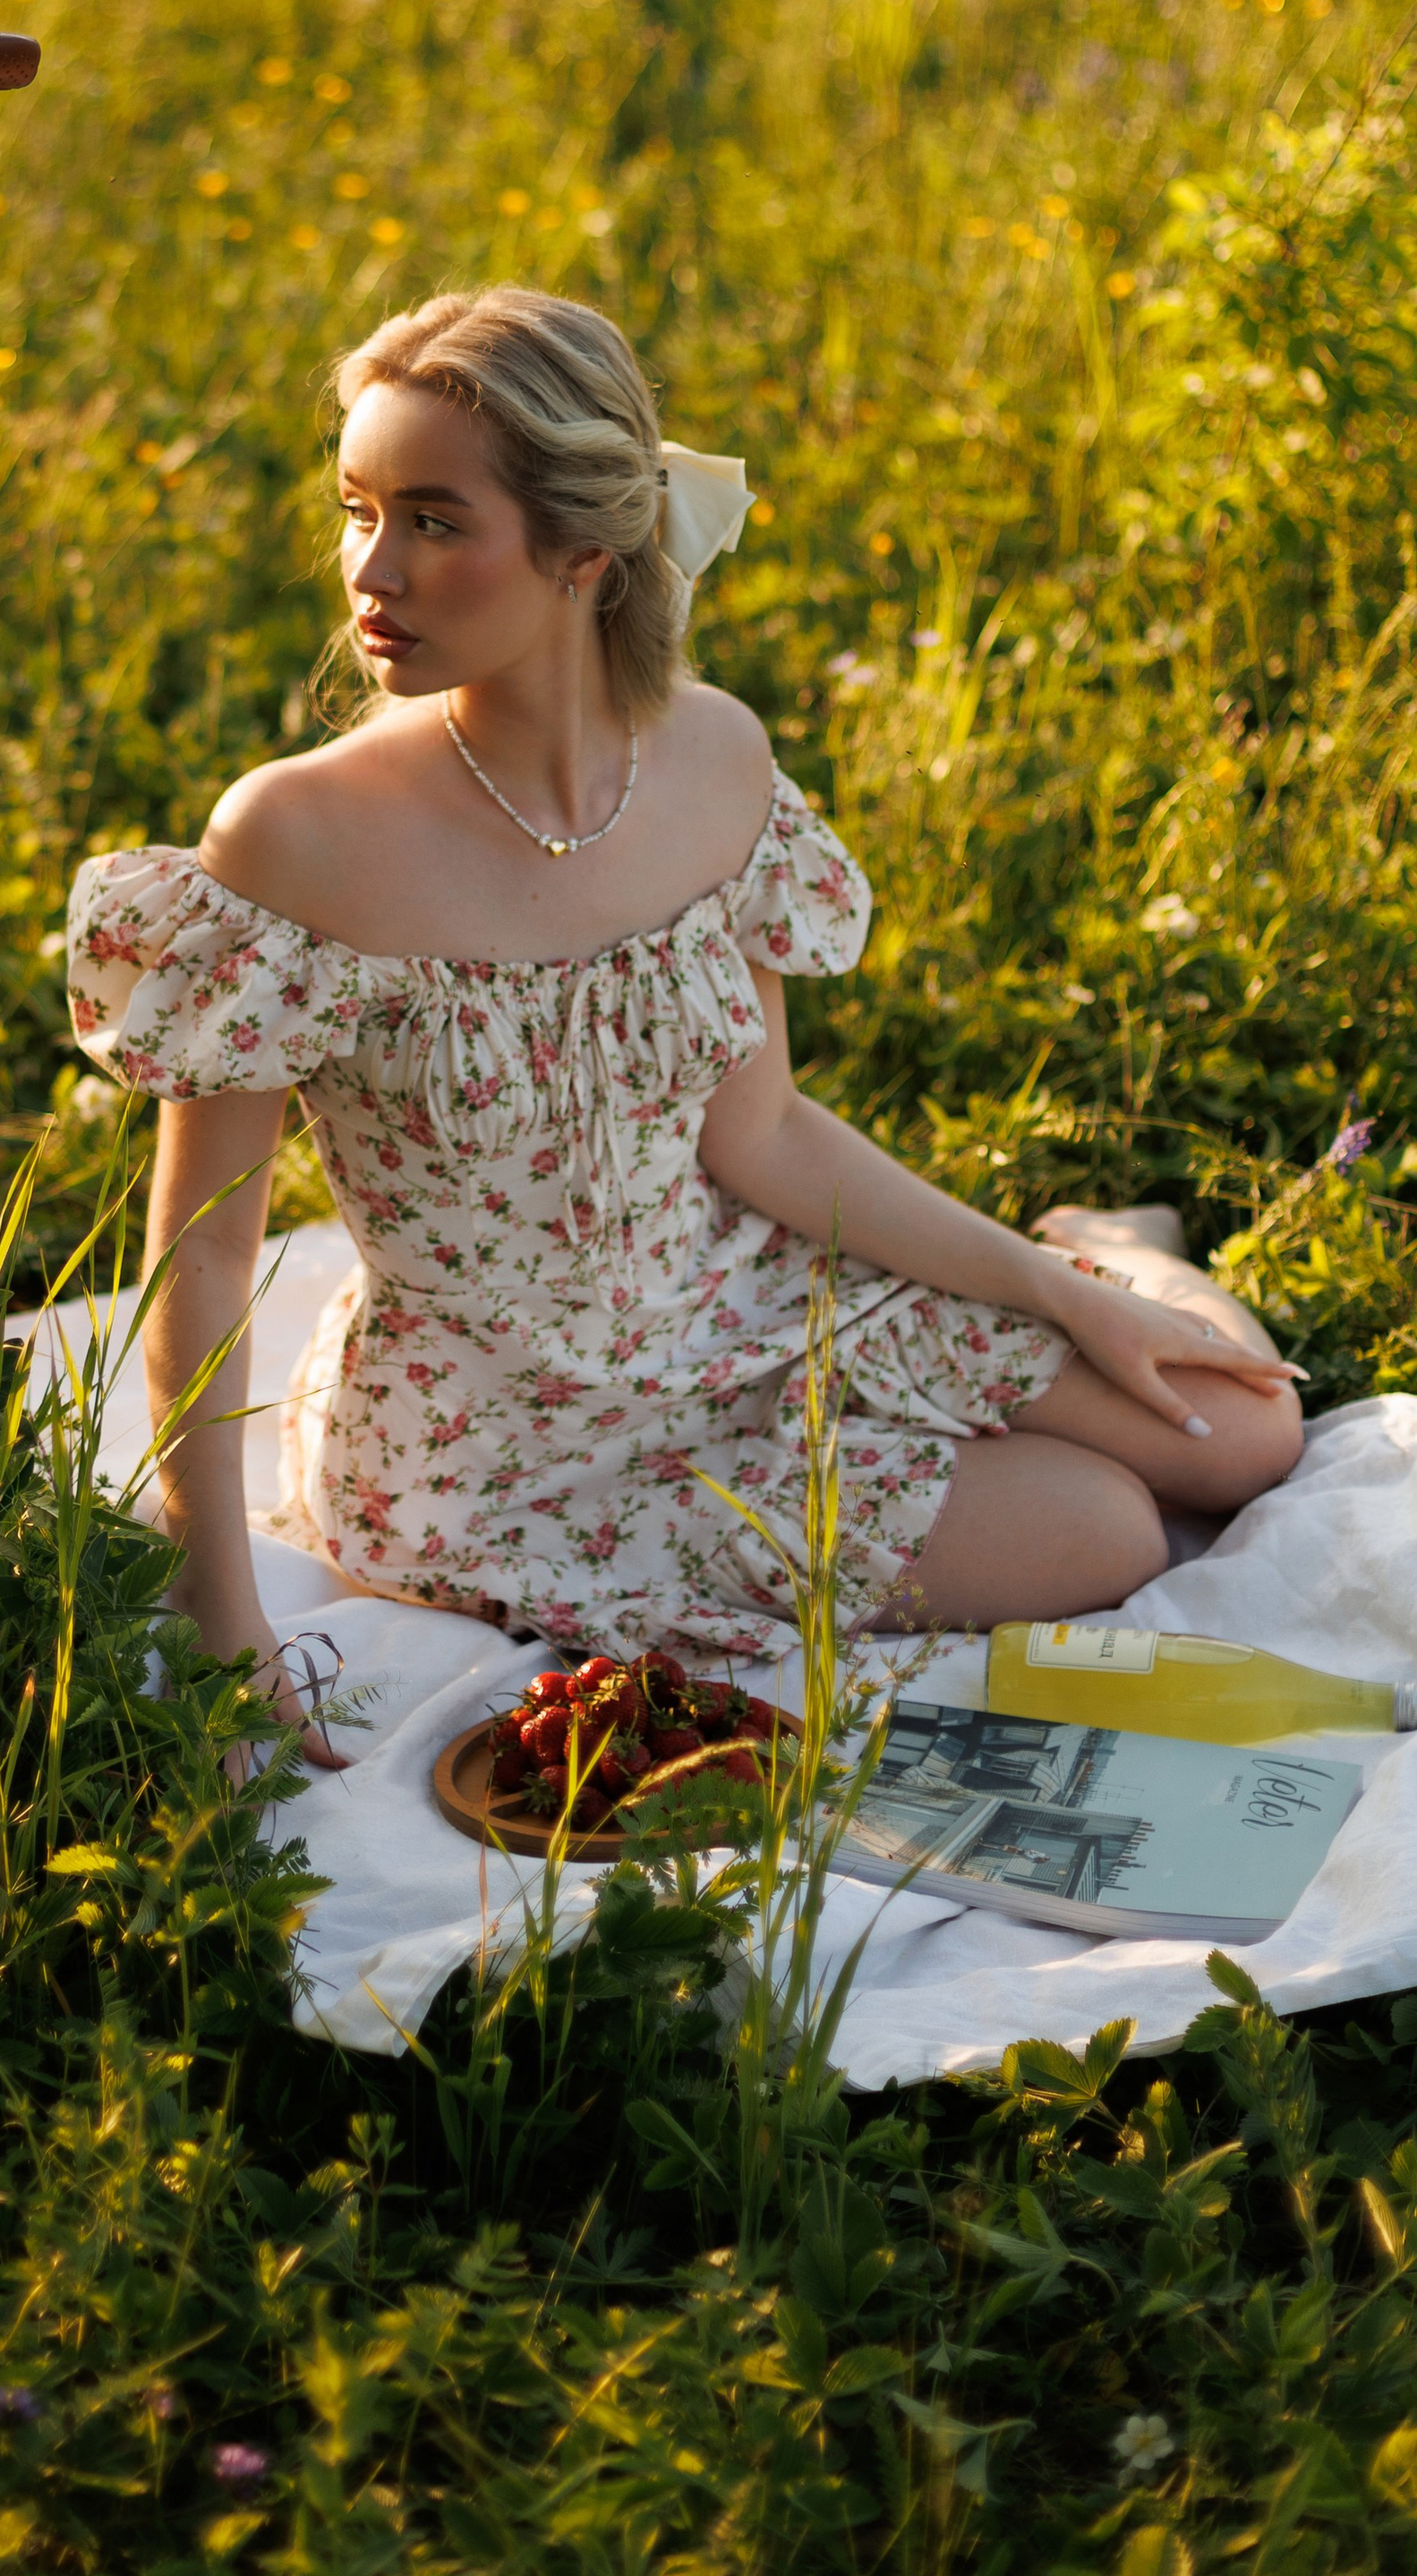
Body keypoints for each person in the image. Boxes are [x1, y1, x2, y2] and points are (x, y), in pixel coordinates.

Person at [64, 286, 1303, 1765]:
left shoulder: (714, 758)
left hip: (742, 1295)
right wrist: (224, 1621)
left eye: (435, 520)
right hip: (512, 1446)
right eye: (356, 509)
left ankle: (1114, 1248)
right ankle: (1096, 1279)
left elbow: (761, 1134)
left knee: (1245, 1440)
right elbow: (201, 1255)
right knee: (1111, 1532)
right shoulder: (295, 834)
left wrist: (1058, 1288)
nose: (371, 570)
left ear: (585, 550)